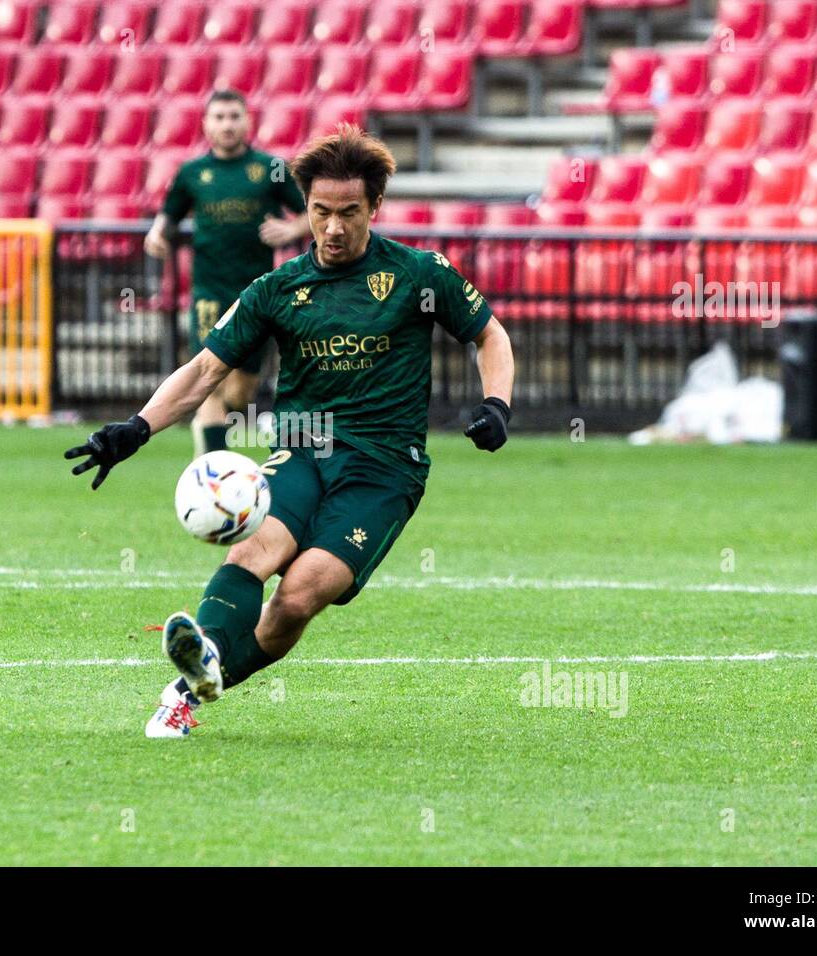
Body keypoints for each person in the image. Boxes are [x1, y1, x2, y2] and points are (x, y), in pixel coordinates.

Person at [69, 125, 516, 739]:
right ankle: (190, 685)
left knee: (297, 598)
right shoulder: (276, 290)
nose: (333, 229)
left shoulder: (420, 275)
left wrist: (497, 405)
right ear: (304, 207)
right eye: (320, 212)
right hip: (301, 453)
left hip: (383, 470)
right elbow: (205, 370)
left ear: (375, 208)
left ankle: (206, 671)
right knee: (251, 551)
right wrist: (135, 428)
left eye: (349, 214)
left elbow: (489, 334)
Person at [143, 89, 309, 456]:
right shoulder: (192, 173)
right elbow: (168, 216)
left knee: (241, 392)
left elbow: (312, 211)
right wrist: (157, 235)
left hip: (255, 296)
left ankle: (219, 437)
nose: (227, 125)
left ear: (248, 121)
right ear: (205, 124)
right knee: (209, 383)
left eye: (234, 117)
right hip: (208, 293)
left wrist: (292, 230)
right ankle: (212, 470)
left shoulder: (270, 169)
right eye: (219, 117)